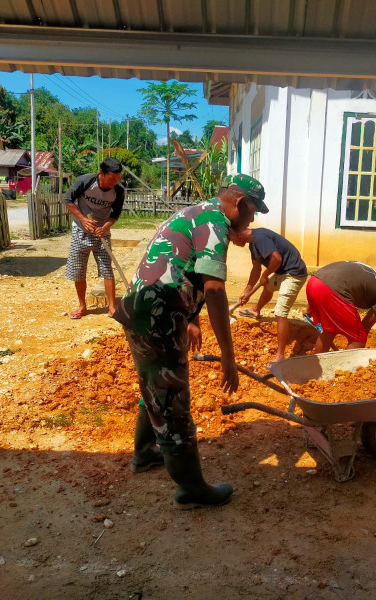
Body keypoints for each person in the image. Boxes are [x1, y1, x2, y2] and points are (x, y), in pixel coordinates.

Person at [113, 173, 268, 509]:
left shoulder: (195, 212)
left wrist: (192, 318)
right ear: (241, 202)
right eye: (254, 210)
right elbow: (214, 289)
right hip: (160, 317)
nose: (253, 219)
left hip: (143, 310)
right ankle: (191, 489)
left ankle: (144, 453)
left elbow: (180, 266)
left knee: (156, 385)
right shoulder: (216, 224)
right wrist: (228, 356)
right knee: (172, 399)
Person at [229, 227, 308, 367]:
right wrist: (247, 291)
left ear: (238, 233)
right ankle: (255, 310)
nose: (233, 243)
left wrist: (265, 275)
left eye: (232, 239)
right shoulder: (252, 244)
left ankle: (280, 357)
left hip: (294, 273)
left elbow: (277, 259)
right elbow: (256, 269)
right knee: (268, 287)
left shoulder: (259, 237)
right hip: (282, 272)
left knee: (280, 313)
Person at [63, 157, 126, 319]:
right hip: (81, 231)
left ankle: (112, 307)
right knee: (79, 270)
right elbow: (67, 200)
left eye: (118, 178)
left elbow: (115, 214)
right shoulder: (85, 181)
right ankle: (82, 306)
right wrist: (82, 219)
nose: (115, 182)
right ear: (101, 173)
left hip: (102, 234)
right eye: (112, 178)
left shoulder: (119, 190)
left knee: (107, 268)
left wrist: (106, 227)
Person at [305, 261, 376, 354]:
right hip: (333, 291)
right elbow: (365, 327)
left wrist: (310, 308)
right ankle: (346, 369)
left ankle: (316, 368)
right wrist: (357, 343)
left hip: (313, 282)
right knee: (359, 338)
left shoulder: (373, 277)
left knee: (330, 330)